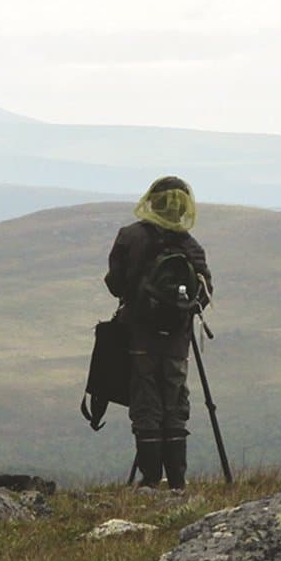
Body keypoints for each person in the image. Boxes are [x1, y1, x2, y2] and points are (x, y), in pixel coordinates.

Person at [105, 175, 212, 489]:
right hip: (177, 341)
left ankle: (150, 479)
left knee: (146, 403)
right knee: (175, 402)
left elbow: (115, 284)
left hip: (139, 337)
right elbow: (204, 293)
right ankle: (177, 479)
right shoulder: (191, 246)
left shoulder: (130, 237)